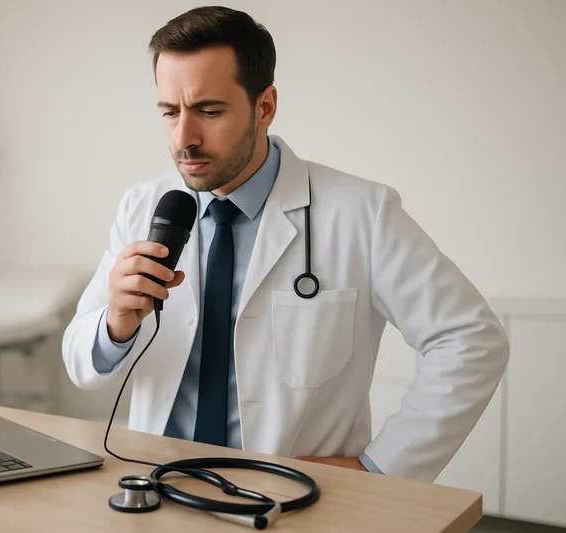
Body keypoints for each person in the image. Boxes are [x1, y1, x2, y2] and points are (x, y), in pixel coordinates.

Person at [61, 5, 509, 482]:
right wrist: (115, 325)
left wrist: (380, 467)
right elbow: (80, 364)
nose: (183, 138)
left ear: (265, 107)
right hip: (157, 484)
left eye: (208, 111)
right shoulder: (142, 207)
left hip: (291, 500)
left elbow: (471, 339)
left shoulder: (361, 212)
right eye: (170, 111)